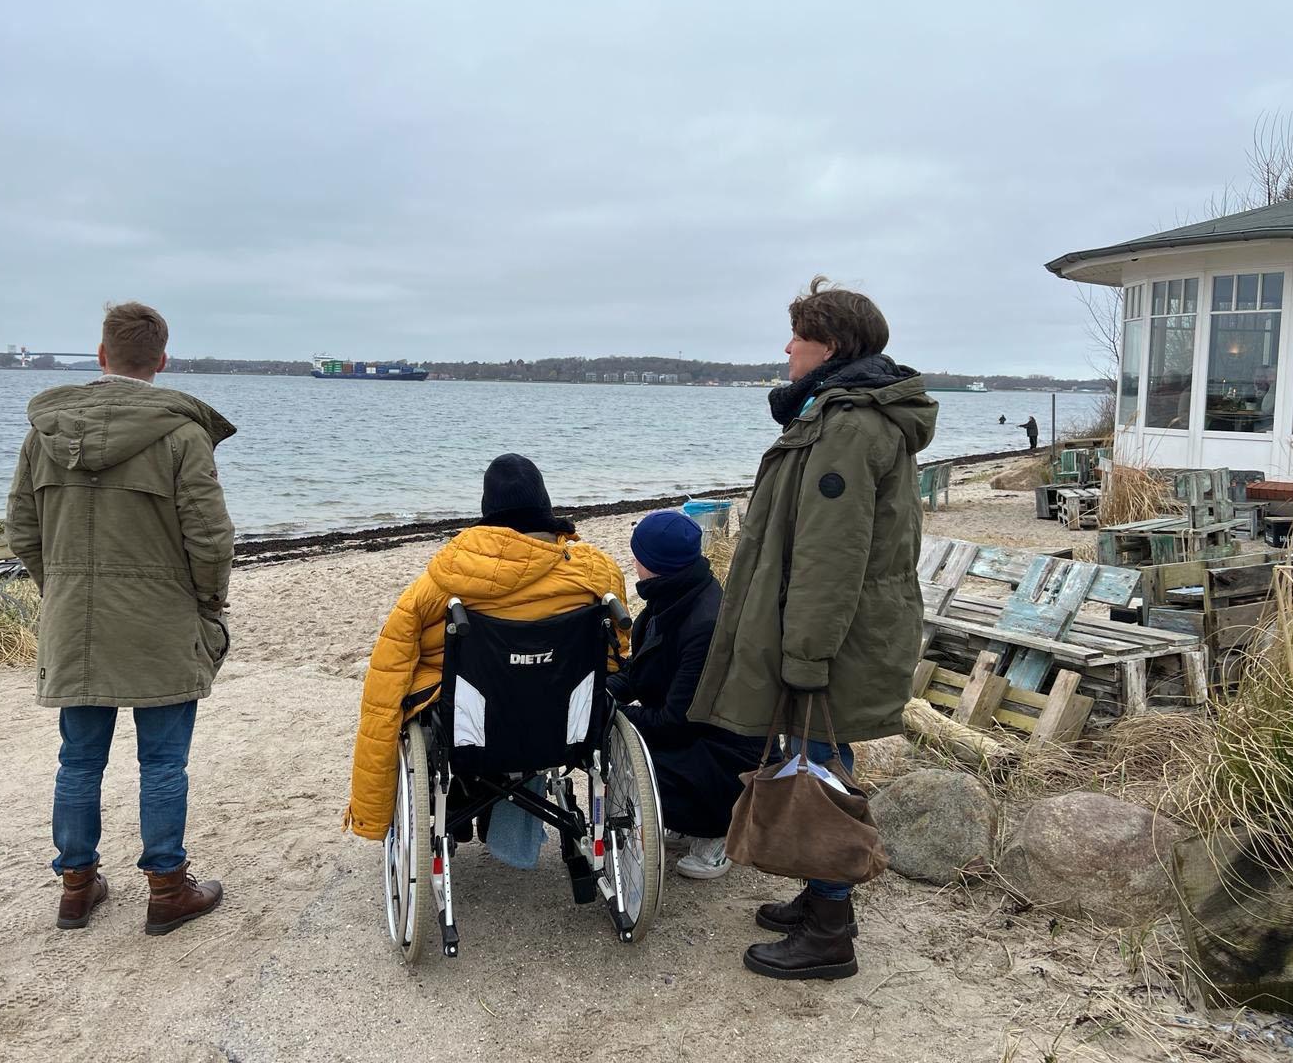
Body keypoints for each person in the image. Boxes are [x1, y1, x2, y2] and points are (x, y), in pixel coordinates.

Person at [688, 276, 937, 981]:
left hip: (833, 635)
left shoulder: (847, 427)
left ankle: (830, 929)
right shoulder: (840, 415)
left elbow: (831, 556)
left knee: (819, 760)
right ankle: (821, 897)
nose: (787, 348)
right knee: (815, 754)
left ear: (829, 346)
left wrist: (805, 655)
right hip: (842, 627)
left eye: (798, 337)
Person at [7, 301, 235, 936]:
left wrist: (62, 588)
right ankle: (166, 888)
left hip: (73, 621)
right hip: (160, 619)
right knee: (163, 762)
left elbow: (22, 530)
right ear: (162, 360)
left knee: (79, 760)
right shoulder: (182, 435)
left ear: (102, 354)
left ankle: (76, 887)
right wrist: (207, 604)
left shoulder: (44, 434)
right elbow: (210, 538)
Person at [346, 454, 628, 841]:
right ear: (544, 504)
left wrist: (371, 813)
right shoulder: (597, 571)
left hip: (471, 727)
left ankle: (460, 804)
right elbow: (615, 654)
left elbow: (388, 675)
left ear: (487, 509)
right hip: (564, 720)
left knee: (419, 692)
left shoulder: (445, 577)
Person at [608, 511, 759, 880]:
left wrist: (612, 712)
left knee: (626, 758)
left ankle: (719, 830)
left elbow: (677, 722)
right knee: (617, 746)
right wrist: (603, 691)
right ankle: (687, 817)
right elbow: (640, 670)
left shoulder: (704, 623)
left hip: (727, 758)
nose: (634, 563)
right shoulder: (674, 597)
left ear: (654, 564)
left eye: (638, 556)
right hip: (695, 738)